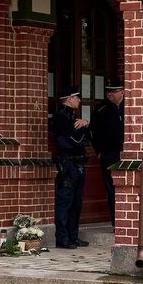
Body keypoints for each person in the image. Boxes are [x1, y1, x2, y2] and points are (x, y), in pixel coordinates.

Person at [51, 87, 91, 249]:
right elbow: (73, 140)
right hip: (67, 164)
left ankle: (73, 236)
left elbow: (85, 139)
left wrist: (86, 123)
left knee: (76, 202)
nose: (79, 100)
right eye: (76, 97)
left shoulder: (72, 116)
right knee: (65, 201)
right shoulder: (60, 117)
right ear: (69, 99)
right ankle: (62, 237)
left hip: (78, 162)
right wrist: (84, 126)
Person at [92, 81, 125, 225]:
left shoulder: (132, 107)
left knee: (128, 186)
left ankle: (129, 221)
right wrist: (99, 151)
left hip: (128, 153)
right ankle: (116, 222)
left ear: (122, 92)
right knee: (112, 188)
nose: (110, 94)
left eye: (113, 91)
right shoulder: (102, 109)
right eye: (108, 92)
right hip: (108, 154)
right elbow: (94, 132)